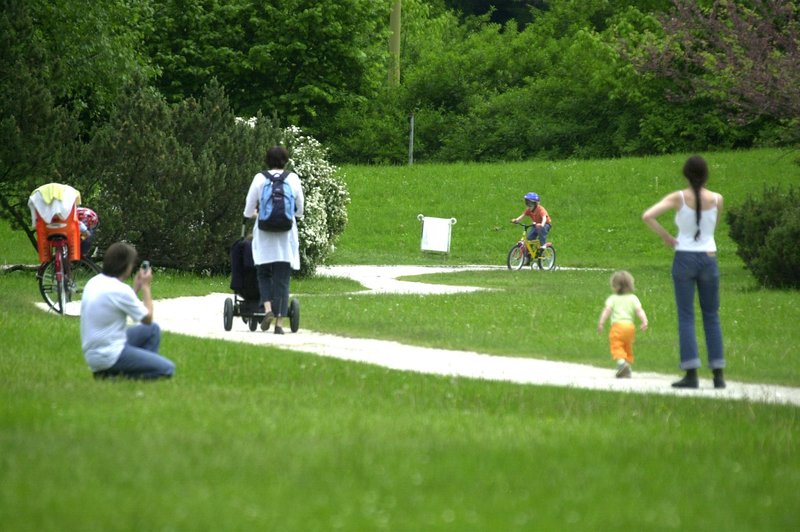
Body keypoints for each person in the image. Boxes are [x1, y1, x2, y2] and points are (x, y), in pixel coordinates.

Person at [642, 155, 726, 389]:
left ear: (686, 174)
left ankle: (691, 373)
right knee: (711, 315)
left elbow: (648, 215)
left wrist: (666, 236)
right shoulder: (718, 199)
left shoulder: (679, 197)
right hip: (709, 258)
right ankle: (718, 374)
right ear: (706, 174)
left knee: (686, 316)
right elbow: (713, 228)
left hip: (685, 257)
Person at [80, 242, 175, 380]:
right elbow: (147, 319)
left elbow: (117, 302)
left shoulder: (94, 281)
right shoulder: (120, 290)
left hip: (93, 353)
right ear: (125, 266)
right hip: (109, 354)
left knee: (152, 331)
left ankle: (124, 369)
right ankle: (118, 377)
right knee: (167, 369)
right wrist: (146, 287)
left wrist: (135, 288)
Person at [243, 145, 305, 334]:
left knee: (263, 273)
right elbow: (300, 208)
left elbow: (248, 208)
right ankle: (279, 323)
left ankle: (267, 309)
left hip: (264, 234)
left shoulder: (259, 178)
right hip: (286, 235)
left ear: (267, 160)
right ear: (285, 161)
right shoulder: (292, 178)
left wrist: (254, 214)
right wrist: (293, 215)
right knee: (282, 278)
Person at [597, 271, 649, 378]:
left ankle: (622, 364)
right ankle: (627, 367)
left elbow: (607, 311)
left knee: (616, 345)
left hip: (617, 327)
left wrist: (601, 322)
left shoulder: (613, 298)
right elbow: (639, 311)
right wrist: (644, 321)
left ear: (615, 286)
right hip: (630, 327)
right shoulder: (633, 298)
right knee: (627, 346)